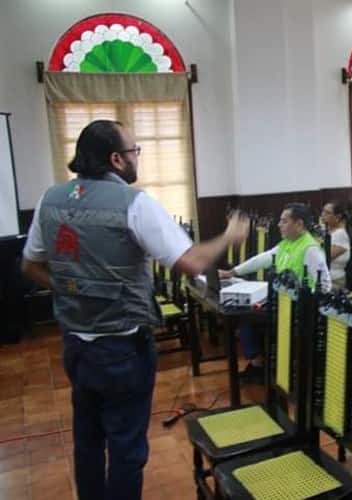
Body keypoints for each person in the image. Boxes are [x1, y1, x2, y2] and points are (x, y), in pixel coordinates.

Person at [20, 120, 250, 500]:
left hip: (76, 344)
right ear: (116, 159)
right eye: (134, 151)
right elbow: (191, 262)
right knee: (126, 448)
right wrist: (228, 235)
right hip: (122, 347)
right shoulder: (134, 203)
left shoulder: (51, 199)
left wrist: (72, 290)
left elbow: (30, 265)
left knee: (88, 442)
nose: (136, 157)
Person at [221, 203, 331, 382]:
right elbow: (263, 258)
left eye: (284, 221)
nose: (279, 224)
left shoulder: (310, 249)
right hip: (281, 302)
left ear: (299, 224)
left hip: (298, 308)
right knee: (243, 312)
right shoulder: (287, 243)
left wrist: (306, 300)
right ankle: (260, 362)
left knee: (246, 317)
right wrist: (232, 272)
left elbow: (325, 285)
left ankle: (260, 365)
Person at [321, 201, 350, 289]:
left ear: (337, 217)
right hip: (325, 278)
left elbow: (325, 257)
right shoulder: (327, 231)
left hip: (334, 280)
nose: (323, 214)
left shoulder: (339, 234)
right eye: (323, 211)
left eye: (327, 213)